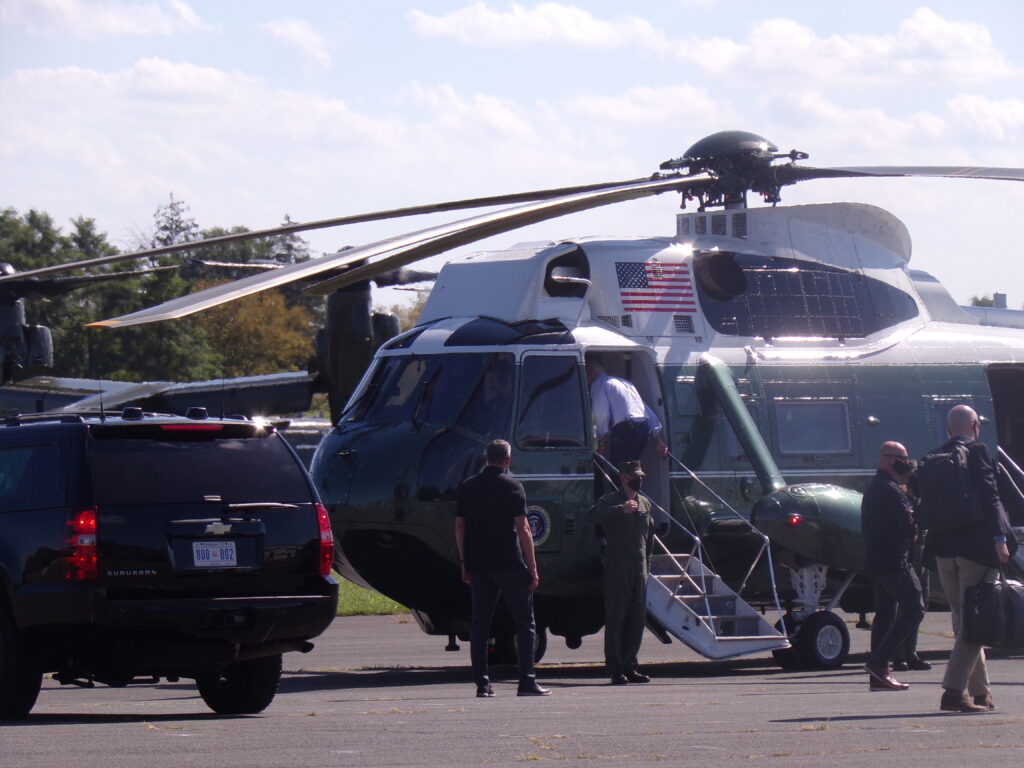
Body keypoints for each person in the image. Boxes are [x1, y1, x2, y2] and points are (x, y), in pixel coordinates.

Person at [924, 404, 1017, 713]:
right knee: (976, 622)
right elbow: (990, 495)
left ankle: (981, 693)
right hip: (976, 550)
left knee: (963, 619)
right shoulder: (977, 451)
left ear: (949, 429)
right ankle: (953, 692)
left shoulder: (934, 457)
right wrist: (1000, 539)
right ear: (975, 426)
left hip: (943, 552)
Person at [454, 439, 550, 698]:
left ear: (487, 458)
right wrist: (533, 568)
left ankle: (482, 684)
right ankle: (526, 681)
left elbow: (460, 527)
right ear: (508, 460)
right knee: (525, 623)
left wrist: (464, 562)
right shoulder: (513, 486)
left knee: (480, 625)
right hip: (509, 563)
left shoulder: (468, 486)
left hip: (478, 565)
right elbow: (523, 528)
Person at [860, 441, 926, 692]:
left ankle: (879, 675)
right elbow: (910, 526)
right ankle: (878, 663)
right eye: (902, 458)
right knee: (914, 608)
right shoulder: (889, 489)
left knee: (886, 613)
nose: (906, 463)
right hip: (894, 561)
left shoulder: (878, 486)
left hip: (878, 561)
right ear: (888, 459)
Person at [589, 460, 654, 685]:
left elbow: (649, 538)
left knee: (637, 619)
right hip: (618, 567)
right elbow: (591, 517)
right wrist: (619, 510)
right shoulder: (609, 500)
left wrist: (647, 566)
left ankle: (630, 665)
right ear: (623, 478)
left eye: (641, 476)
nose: (639, 480)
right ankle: (615, 669)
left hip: (639, 567)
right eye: (635, 476)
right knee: (616, 618)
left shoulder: (645, 503)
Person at [585, 356, 668, 468]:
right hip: (643, 429)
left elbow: (602, 414)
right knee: (632, 468)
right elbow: (646, 410)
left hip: (626, 430)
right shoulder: (626, 384)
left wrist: (600, 442)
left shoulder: (599, 383)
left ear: (590, 373)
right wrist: (659, 441)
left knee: (620, 469)